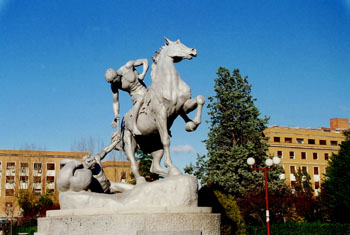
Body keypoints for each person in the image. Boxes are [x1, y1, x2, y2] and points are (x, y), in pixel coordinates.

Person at [105, 59, 149, 136]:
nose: (115, 83)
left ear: (117, 75)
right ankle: (134, 126)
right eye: (112, 82)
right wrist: (116, 114)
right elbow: (115, 101)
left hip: (145, 89)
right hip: (135, 95)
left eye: (115, 81)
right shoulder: (114, 85)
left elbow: (145, 61)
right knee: (140, 99)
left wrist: (143, 73)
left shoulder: (127, 66)